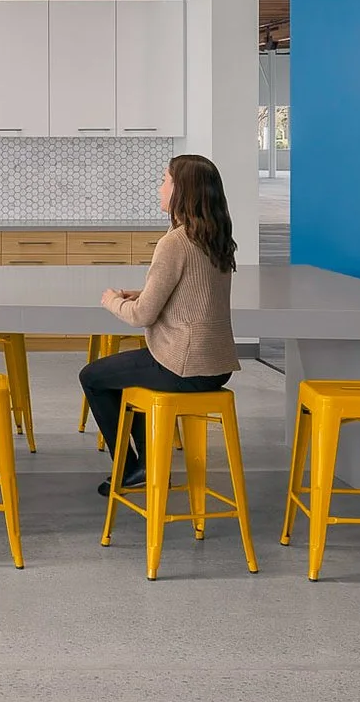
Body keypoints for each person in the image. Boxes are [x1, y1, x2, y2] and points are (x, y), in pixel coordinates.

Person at [82, 153, 242, 496]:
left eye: (165, 180)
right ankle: (147, 466)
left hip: (184, 366)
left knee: (92, 377)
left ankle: (129, 469)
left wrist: (112, 300)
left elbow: (141, 316)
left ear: (182, 190)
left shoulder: (175, 242)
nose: (160, 187)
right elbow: (193, 292)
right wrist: (141, 293)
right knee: (130, 376)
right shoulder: (213, 236)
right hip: (217, 366)